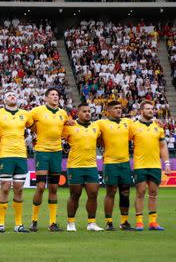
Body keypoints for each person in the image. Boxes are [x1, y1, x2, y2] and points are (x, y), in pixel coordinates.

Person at [0, 91, 33, 233]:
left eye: (14, 95)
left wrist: (31, 138)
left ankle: (18, 224)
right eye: (9, 96)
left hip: (21, 155)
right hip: (5, 154)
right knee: (5, 187)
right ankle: (1, 223)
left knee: (19, 188)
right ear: (4, 100)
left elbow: (32, 128)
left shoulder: (25, 114)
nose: (12, 97)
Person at [29, 88, 68, 232]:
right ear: (46, 98)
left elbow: (66, 128)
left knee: (53, 187)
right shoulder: (37, 111)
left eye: (57, 95)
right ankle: (34, 220)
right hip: (42, 152)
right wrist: (34, 131)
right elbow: (27, 122)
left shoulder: (63, 113)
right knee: (40, 186)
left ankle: (53, 223)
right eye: (52, 95)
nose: (55, 97)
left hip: (56, 152)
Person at [130, 100, 170, 231]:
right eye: (148, 109)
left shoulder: (158, 126)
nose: (151, 111)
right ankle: (139, 222)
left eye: (152, 109)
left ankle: (153, 222)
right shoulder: (133, 126)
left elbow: (163, 146)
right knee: (140, 192)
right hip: (140, 165)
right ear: (141, 111)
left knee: (153, 192)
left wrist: (167, 163)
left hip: (155, 165)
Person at [63, 102, 102, 232]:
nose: (87, 113)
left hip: (91, 165)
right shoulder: (69, 126)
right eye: (84, 111)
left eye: (89, 111)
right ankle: (71, 222)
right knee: (75, 194)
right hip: (75, 166)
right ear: (77, 113)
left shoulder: (96, 126)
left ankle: (91, 223)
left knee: (93, 194)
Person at [96, 100, 134, 230]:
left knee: (125, 192)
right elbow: (90, 132)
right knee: (111, 192)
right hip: (110, 163)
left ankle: (124, 222)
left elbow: (139, 130)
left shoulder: (128, 123)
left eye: (120, 108)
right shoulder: (101, 123)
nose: (119, 110)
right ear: (108, 110)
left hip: (124, 162)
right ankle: (109, 222)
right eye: (116, 108)